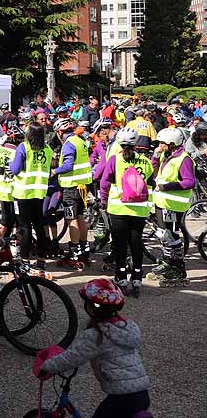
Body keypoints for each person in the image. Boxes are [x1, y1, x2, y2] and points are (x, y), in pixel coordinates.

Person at [38, 279, 150, 418]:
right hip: (142, 393)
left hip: (122, 398)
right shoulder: (127, 327)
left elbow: (71, 358)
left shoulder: (97, 335)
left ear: (91, 308)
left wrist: (47, 367)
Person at [98, 128, 153, 296]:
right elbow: (151, 182)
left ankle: (121, 276)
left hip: (119, 208)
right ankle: (136, 277)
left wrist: (103, 200)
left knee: (120, 244)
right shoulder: (145, 160)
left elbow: (104, 182)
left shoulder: (115, 160)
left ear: (120, 143)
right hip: (140, 209)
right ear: (136, 144)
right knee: (136, 243)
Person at [146, 127, 195, 287]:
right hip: (162, 203)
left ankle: (178, 267)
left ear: (172, 143)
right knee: (164, 234)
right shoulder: (167, 155)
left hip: (173, 204)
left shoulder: (183, 158)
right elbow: (154, 172)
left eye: (162, 143)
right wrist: (155, 156)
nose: (160, 145)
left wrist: (167, 186)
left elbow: (189, 181)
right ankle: (168, 263)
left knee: (171, 235)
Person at [8, 122, 54, 272]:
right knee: (39, 226)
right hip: (39, 193)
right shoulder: (47, 149)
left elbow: (15, 169)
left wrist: (10, 164)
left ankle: (25, 259)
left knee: (24, 227)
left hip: (23, 193)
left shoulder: (24, 147)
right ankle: (41, 260)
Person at [51, 117, 93, 265]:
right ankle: (84, 248)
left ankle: (74, 252)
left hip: (71, 186)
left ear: (60, 131)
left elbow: (68, 166)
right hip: (83, 186)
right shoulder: (80, 141)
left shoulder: (69, 144)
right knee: (80, 216)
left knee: (71, 219)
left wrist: (55, 171)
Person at [0, 123, 22, 241]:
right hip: (13, 190)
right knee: (17, 220)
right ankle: (16, 244)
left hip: (0, 189)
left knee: (4, 220)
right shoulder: (17, 153)